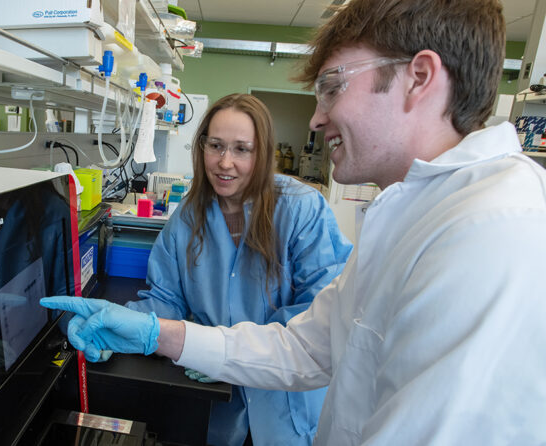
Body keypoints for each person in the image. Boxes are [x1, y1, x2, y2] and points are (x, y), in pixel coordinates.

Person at [43, 0, 546, 444]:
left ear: (418, 78)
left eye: (332, 87)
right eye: (216, 146)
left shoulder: (492, 232)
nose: (315, 118)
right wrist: (158, 334)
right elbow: (306, 346)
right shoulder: (415, 213)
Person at [122, 93, 352, 446]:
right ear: (202, 148)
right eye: (216, 146)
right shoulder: (186, 217)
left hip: (286, 409)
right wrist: (123, 325)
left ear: (262, 154)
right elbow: (166, 299)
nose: (225, 162)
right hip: (217, 411)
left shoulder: (301, 209)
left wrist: (223, 352)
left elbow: (320, 314)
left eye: (242, 149)